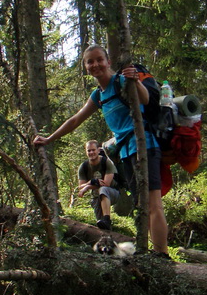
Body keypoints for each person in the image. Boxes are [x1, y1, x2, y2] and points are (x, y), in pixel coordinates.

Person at [33, 44, 169, 257]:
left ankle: (162, 255)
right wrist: (49, 139)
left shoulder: (121, 81)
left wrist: (134, 81)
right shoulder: (99, 95)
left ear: (108, 62)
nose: (95, 64)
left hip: (145, 145)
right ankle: (153, 253)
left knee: (153, 204)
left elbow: (145, 99)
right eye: (90, 61)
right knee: (142, 206)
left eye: (99, 59)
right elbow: (75, 119)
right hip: (126, 153)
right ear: (86, 67)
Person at [78, 140, 119, 230]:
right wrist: (91, 182)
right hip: (96, 197)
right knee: (102, 226)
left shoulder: (107, 162)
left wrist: (88, 186)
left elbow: (106, 183)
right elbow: (81, 186)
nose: (91, 152)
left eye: (93, 150)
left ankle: (107, 219)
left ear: (98, 150)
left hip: (113, 193)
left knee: (103, 189)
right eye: (89, 150)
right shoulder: (84, 166)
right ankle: (107, 235)